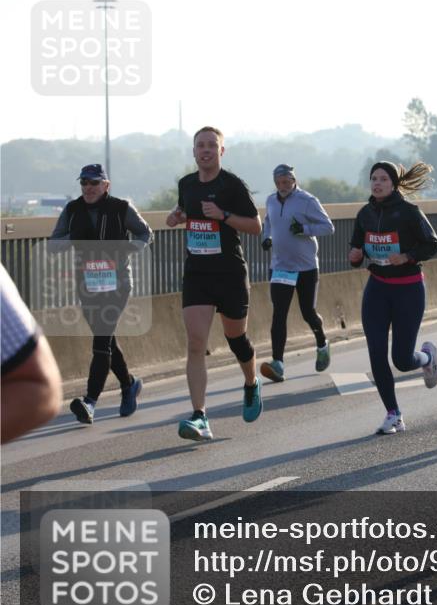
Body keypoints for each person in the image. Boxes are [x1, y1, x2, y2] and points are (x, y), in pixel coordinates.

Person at [166, 126, 264, 441]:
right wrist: (177, 216)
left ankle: (251, 383)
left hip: (230, 274)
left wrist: (223, 215)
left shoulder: (232, 186)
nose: (206, 150)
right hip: (197, 273)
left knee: (236, 338)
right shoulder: (187, 184)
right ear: (194, 152)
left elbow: (256, 226)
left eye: (212, 145)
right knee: (196, 343)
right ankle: (200, 416)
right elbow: (186, 211)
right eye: (200, 146)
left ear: (221, 151)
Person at [48, 163, 151, 424]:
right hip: (88, 285)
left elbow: (145, 233)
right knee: (105, 340)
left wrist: (127, 249)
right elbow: (53, 245)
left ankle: (90, 402)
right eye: (84, 182)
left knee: (101, 341)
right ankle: (129, 385)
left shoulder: (121, 208)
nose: (88, 187)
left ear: (106, 185)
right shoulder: (72, 210)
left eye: (94, 182)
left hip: (118, 285)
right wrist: (73, 238)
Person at [349, 161, 437, 435]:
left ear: (394, 183)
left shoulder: (410, 212)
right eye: (373, 178)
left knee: (401, 360)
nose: (377, 183)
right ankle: (394, 414)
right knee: (377, 353)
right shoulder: (365, 214)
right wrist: (355, 257)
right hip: (377, 288)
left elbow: (432, 244)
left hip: (408, 289)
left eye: (383, 179)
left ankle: (426, 358)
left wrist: (407, 256)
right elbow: (357, 247)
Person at [258, 164, 334, 382]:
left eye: (286, 182)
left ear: (294, 181)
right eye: (279, 183)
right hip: (280, 266)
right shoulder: (271, 200)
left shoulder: (308, 201)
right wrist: (267, 238)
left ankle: (322, 343)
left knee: (307, 312)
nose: (282, 186)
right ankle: (278, 364)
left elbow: (328, 227)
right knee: (279, 314)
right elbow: (269, 222)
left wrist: (305, 230)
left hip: (306, 267)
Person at [1, 265, 62, 443]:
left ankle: (93, 398)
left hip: (113, 286)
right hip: (89, 288)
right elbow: (59, 240)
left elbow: (38, 385)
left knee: (103, 340)